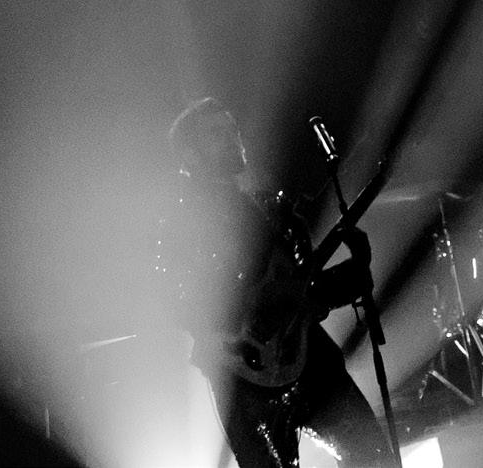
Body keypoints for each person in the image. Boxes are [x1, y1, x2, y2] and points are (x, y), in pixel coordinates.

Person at [154, 99, 395, 467]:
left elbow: (306, 293)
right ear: (191, 155)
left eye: (233, 129)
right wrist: (245, 311)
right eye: (218, 133)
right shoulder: (180, 223)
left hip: (310, 359)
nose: (234, 139)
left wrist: (357, 268)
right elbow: (176, 302)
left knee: (373, 458)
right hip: (242, 381)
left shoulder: (272, 210)